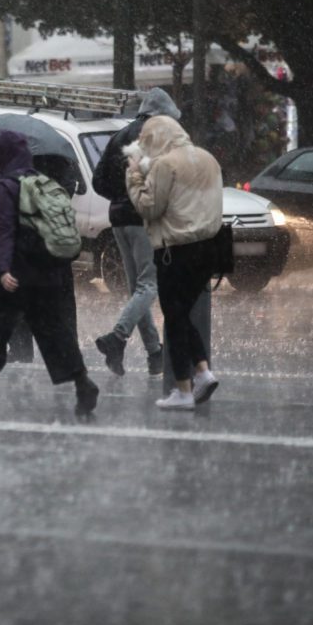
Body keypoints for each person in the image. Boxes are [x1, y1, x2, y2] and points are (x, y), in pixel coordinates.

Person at [0, 131, 98, 416]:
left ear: (4, 156)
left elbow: (4, 231)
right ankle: (83, 383)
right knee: (55, 333)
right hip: (48, 274)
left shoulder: (6, 186)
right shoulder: (43, 183)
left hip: (16, 276)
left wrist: (2, 270)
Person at [126, 115, 223, 410]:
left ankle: (184, 389)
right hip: (210, 248)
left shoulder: (165, 165)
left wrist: (134, 176)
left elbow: (149, 207)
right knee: (180, 314)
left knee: (175, 317)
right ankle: (203, 372)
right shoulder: (208, 159)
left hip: (176, 250)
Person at [91, 88, 182, 377]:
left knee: (137, 288)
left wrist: (120, 197)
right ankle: (117, 338)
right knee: (149, 284)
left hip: (118, 219)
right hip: (143, 217)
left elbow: (98, 181)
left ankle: (155, 354)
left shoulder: (120, 135)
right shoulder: (158, 135)